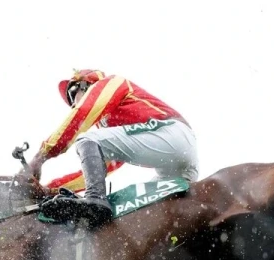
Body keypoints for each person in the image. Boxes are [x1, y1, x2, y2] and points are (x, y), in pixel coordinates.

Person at [21, 69, 199, 226]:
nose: (73, 104)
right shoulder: (110, 131)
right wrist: (49, 189)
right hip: (179, 164)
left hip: (173, 134)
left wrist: (40, 157)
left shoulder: (113, 83)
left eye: (73, 95)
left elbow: (82, 115)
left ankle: (96, 199)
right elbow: (101, 170)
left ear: (85, 84)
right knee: (140, 214)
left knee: (86, 139)